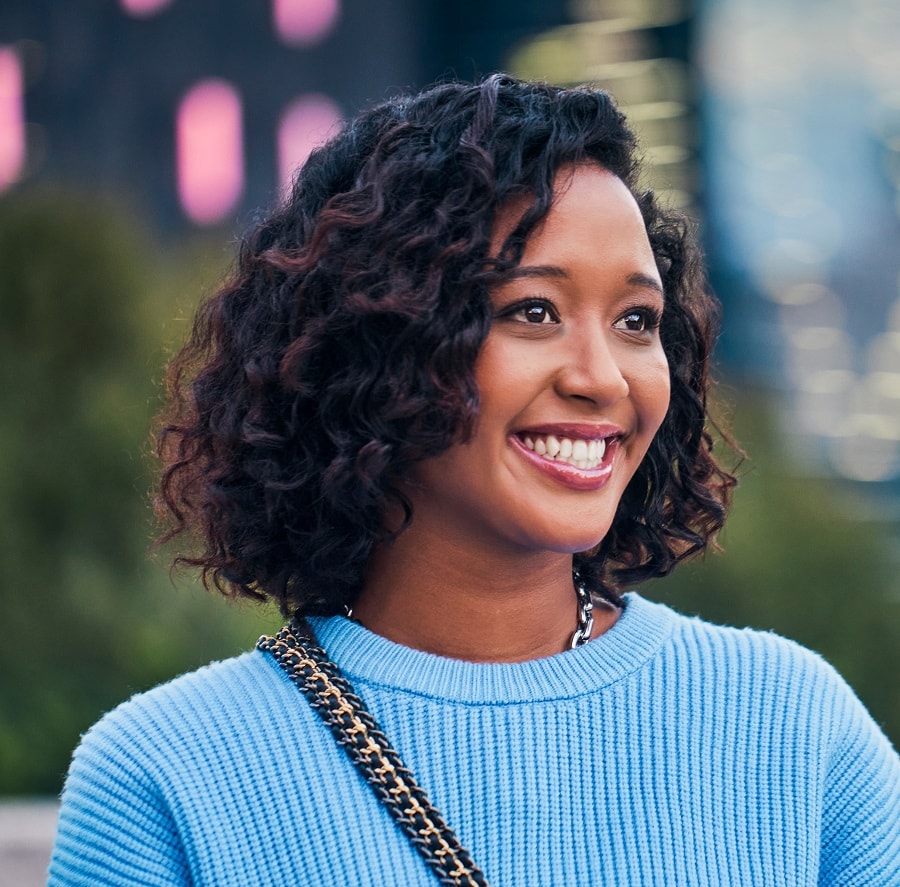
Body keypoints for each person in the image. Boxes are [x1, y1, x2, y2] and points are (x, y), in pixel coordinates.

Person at [49, 75, 899, 886]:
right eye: (533, 311)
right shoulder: (166, 781)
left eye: (637, 320)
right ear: (379, 342)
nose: (604, 377)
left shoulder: (793, 729)